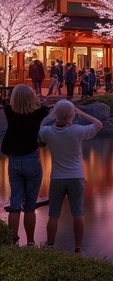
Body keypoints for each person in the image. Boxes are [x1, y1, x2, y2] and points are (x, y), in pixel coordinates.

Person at [38, 99, 103, 253]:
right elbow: (98, 124)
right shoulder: (78, 131)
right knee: (77, 214)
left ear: (55, 115)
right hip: (76, 177)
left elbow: (39, 134)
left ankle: (50, 245)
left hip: (57, 178)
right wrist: (80, 112)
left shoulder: (46, 132)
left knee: (53, 214)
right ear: (72, 116)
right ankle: (78, 247)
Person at [3, 85, 49, 246]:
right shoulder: (38, 114)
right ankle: (30, 242)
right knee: (30, 206)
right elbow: (45, 110)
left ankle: (13, 241)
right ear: (31, 98)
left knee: (14, 204)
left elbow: (8, 103)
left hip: (14, 161)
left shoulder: (9, 112)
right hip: (31, 160)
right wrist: (40, 102)